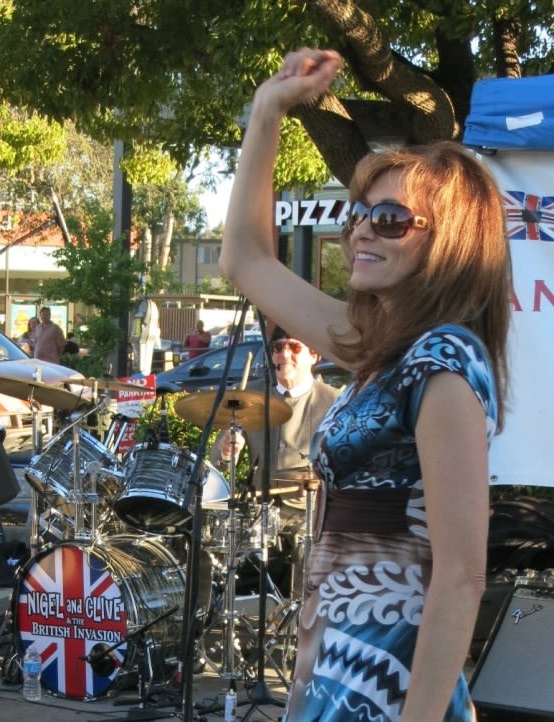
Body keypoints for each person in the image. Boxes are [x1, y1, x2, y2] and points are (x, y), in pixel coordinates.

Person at [219, 48, 510, 722]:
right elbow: (246, 259)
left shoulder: (442, 361)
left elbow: (462, 574)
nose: (360, 233)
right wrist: (269, 110)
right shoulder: (380, 349)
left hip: (393, 678)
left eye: (391, 220)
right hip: (339, 664)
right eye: (358, 216)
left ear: (453, 245)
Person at [214, 325, 340, 595]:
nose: (284, 354)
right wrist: (227, 450)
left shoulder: (334, 403)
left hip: (310, 520)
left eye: (294, 347)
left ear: (314, 355)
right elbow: (218, 461)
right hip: (258, 517)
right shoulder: (249, 396)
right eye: (277, 348)